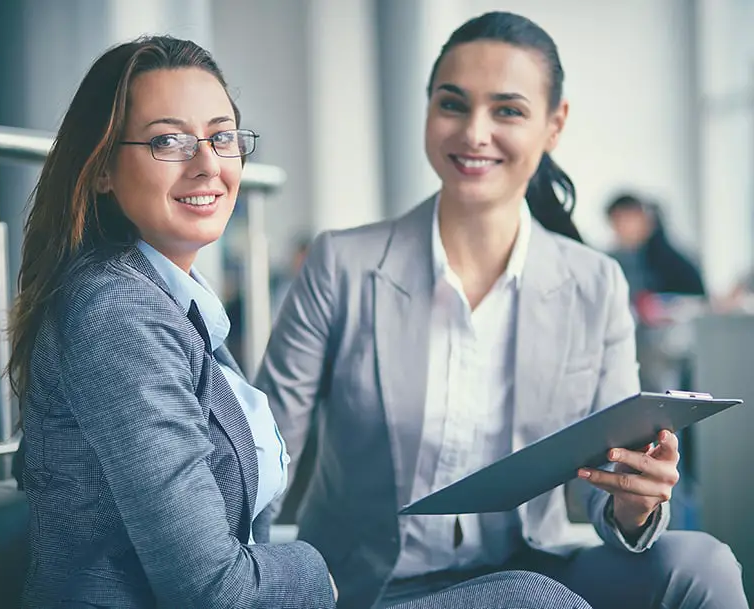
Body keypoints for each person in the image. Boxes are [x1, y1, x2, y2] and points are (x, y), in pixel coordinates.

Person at [8, 34, 583, 609]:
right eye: (169, 141)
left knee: (535, 594)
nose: (208, 163)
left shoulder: (172, 301)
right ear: (103, 168)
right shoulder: (115, 311)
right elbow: (213, 591)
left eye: (221, 137)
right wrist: (314, 570)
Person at [256, 11, 748, 609]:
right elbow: (265, 452)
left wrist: (634, 498)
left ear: (554, 124)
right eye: (453, 104)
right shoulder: (343, 264)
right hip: (368, 588)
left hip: (530, 571)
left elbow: (607, 475)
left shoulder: (594, 283)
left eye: (508, 110)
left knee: (702, 566)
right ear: (429, 108)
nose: (474, 132)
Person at [605, 193, 705, 300]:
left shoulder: (670, 261)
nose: (622, 227)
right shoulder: (612, 261)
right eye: (617, 221)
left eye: (627, 219)